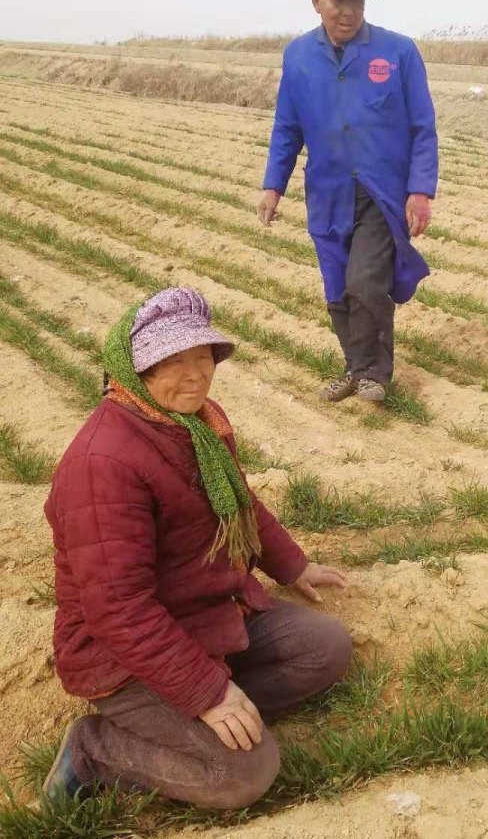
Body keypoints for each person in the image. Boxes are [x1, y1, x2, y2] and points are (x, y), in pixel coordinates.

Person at [42, 288, 352, 809]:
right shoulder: (104, 463)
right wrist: (206, 692)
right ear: (134, 369)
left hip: (202, 612)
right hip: (124, 654)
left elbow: (239, 503)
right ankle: (95, 750)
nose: (196, 375)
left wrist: (291, 565)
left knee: (325, 648)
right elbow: (118, 608)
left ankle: (208, 712)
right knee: (241, 775)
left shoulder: (198, 424)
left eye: (203, 357)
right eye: (174, 361)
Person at [257, 0, 439, 405]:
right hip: (327, 193)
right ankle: (355, 368)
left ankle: (376, 373)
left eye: (356, 0)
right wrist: (273, 185)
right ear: (316, 1)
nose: (348, 10)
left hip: (380, 192)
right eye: (337, 0)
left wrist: (420, 190)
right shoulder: (298, 56)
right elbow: (287, 127)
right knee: (337, 287)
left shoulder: (397, 52)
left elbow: (423, 126)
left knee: (366, 283)